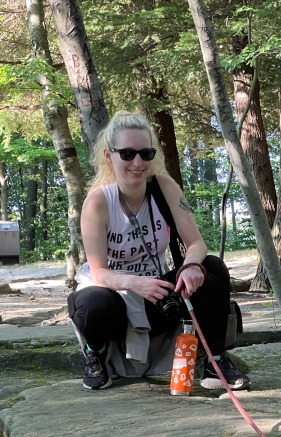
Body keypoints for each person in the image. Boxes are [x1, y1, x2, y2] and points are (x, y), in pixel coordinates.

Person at [68, 110, 250, 392]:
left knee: (212, 267)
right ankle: (97, 352)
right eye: (127, 154)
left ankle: (215, 362)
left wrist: (190, 266)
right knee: (92, 303)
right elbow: (99, 272)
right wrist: (133, 282)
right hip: (114, 295)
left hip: (156, 294)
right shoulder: (98, 203)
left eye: (146, 153)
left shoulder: (165, 188)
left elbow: (197, 244)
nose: (138, 163)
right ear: (109, 156)